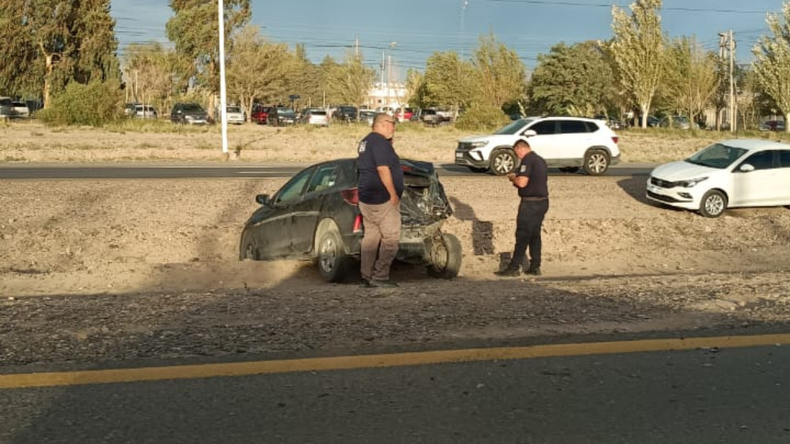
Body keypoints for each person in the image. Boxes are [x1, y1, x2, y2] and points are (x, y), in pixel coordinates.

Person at [356, 113, 404, 288]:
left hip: (366, 198)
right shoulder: (379, 142)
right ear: (384, 124)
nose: (394, 128)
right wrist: (392, 194)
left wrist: (390, 144)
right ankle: (380, 276)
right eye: (393, 124)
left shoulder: (365, 142)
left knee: (371, 237)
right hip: (381, 198)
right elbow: (383, 169)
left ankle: (366, 274)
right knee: (391, 238)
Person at [495, 138, 549, 277]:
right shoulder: (540, 160)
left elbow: (522, 183)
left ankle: (513, 267)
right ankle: (535, 266)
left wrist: (513, 178)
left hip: (530, 204)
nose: (517, 156)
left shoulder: (527, 160)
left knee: (522, 235)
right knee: (535, 235)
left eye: (516, 152)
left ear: (521, 148)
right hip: (542, 202)